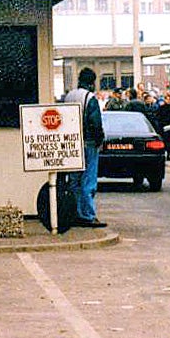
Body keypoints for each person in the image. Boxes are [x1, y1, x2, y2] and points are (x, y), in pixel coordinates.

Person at [63, 68, 105, 228]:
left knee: (74, 180)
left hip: (72, 143)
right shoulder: (90, 98)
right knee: (88, 180)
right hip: (88, 142)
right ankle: (88, 215)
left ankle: (75, 212)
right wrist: (99, 140)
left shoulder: (69, 96)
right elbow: (95, 122)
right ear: (92, 83)